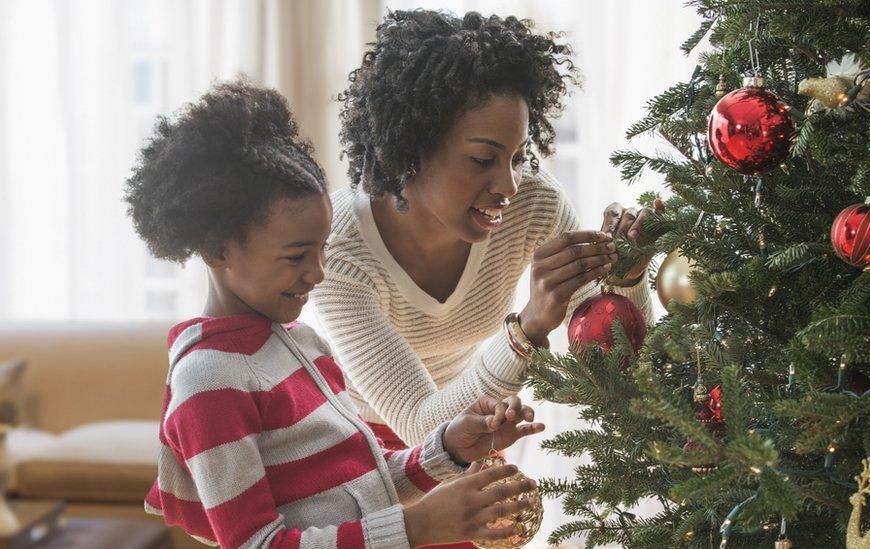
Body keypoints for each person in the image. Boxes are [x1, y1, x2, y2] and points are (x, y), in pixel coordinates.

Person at [125, 79, 545, 548]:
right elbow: (257, 544)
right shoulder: (208, 381)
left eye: (322, 251)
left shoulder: (300, 343)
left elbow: (367, 486)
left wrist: (448, 447)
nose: (318, 274)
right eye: (296, 256)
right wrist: (420, 526)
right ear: (217, 250)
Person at [312, 9, 654, 451]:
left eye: (516, 157)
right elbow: (421, 425)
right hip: (353, 446)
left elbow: (617, 363)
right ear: (411, 149)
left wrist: (624, 279)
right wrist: (526, 328)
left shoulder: (534, 204)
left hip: (470, 423)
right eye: (482, 159)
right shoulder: (339, 251)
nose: (509, 186)